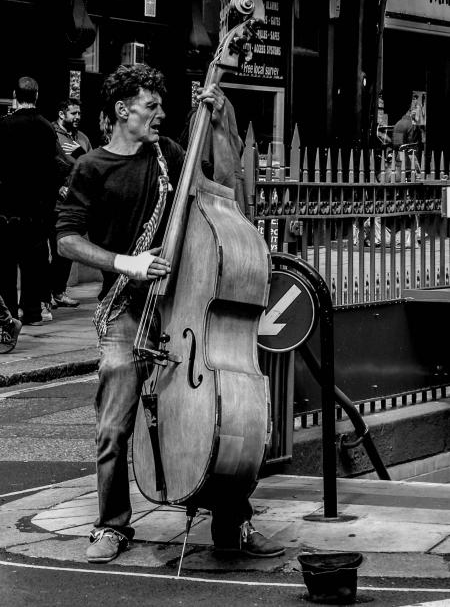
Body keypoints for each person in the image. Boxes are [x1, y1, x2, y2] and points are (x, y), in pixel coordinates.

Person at [56, 63, 285, 564]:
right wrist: (125, 263)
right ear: (122, 110)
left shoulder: (169, 156)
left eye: (162, 105)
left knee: (217, 415)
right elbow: (67, 238)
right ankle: (111, 525)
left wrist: (220, 122)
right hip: (124, 310)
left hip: (180, 307)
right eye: (150, 105)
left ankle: (233, 521)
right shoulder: (91, 167)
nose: (161, 113)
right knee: (114, 422)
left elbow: (223, 184)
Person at [0, 76, 62, 325]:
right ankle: (33, 312)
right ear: (36, 96)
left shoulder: (3, 126)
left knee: (5, 264)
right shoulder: (47, 128)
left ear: (15, 95)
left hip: (7, 208)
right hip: (38, 208)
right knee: (33, 264)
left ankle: (10, 314)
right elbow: (55, 166)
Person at [49, 98, 92, 308]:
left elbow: (90, 166)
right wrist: (57, 186)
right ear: (61, 114)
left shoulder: (82, 138)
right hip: (53, 203)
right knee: (50, 249)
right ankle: (45, 293)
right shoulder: (51, 134)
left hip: (74, 204)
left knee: (66, 252)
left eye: (79, 113)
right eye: (73, 113)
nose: (77, 117)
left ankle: (58, 291)